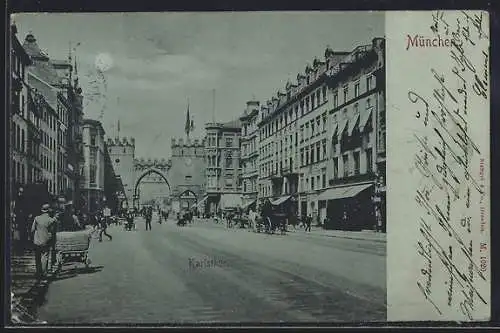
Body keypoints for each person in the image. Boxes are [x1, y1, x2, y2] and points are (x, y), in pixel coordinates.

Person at [31, 204, 56, 281]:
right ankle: (44, 273)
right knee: (45, 256)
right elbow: (52, 232)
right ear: (48, 211)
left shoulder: (37, 218)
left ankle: (38, 273)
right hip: (46, 241)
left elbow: (32, 230)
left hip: (37, 241)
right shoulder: (51, 220)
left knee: (37, 257)